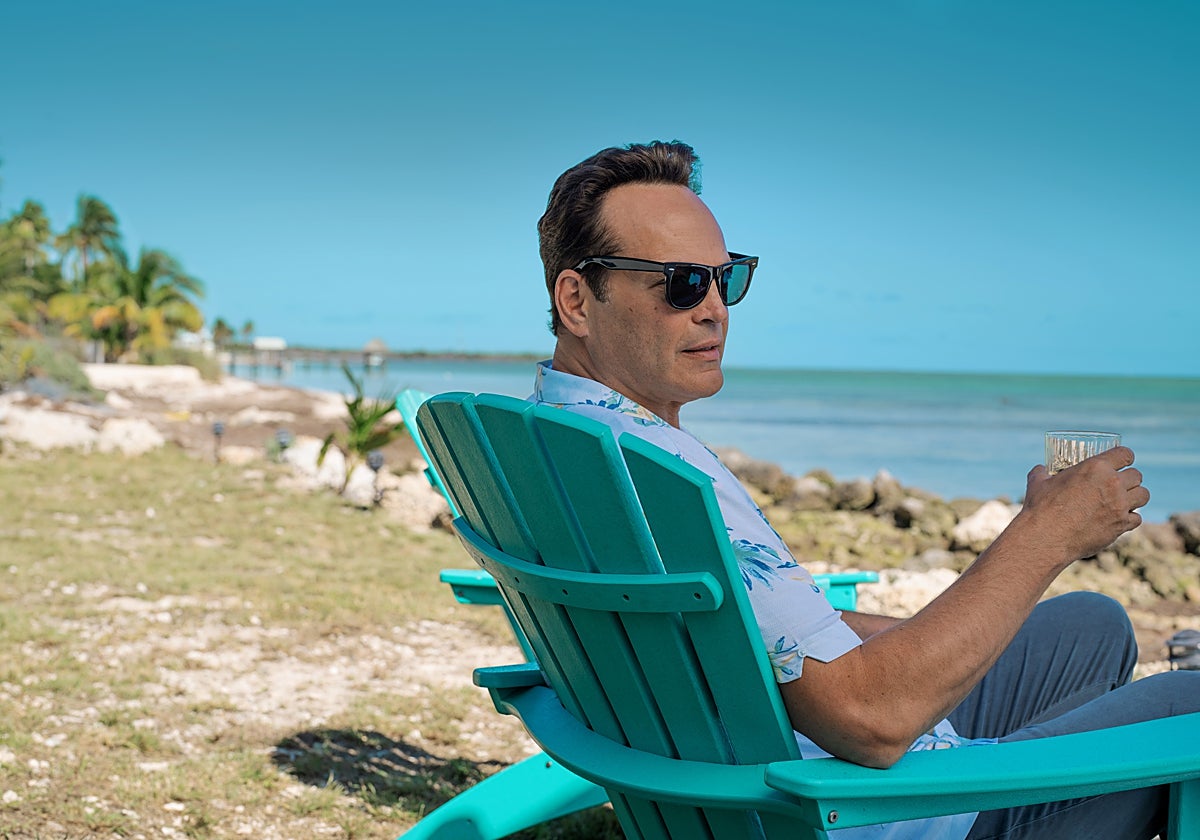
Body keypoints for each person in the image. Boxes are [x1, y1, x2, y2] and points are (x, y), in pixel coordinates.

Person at [529, 140, 1199, 840]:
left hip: (764, 764)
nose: (715, 309)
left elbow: (750, 639)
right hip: (856, 806)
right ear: (577, 300)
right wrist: (1045, 536)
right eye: (682, 283)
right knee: (1188, 704)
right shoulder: (657, 475)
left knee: (1092, 624)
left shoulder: (562, 439)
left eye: (726, 279)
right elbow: (870, 721)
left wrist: (936, 632)